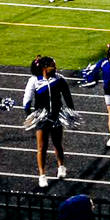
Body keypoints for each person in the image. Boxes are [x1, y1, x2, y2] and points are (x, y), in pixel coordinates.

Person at [23, 55, 74, 188]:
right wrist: (30, 115)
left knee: (58, 144)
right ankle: (42, 175)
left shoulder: (59, 79)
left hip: (57, 116)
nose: (55, 67)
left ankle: (61, 166)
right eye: (53, 65)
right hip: (42, 118)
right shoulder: (34, 81)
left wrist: (71, 112)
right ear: (45, 68)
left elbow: (68, 97)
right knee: (42, 147)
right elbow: (27, 100)